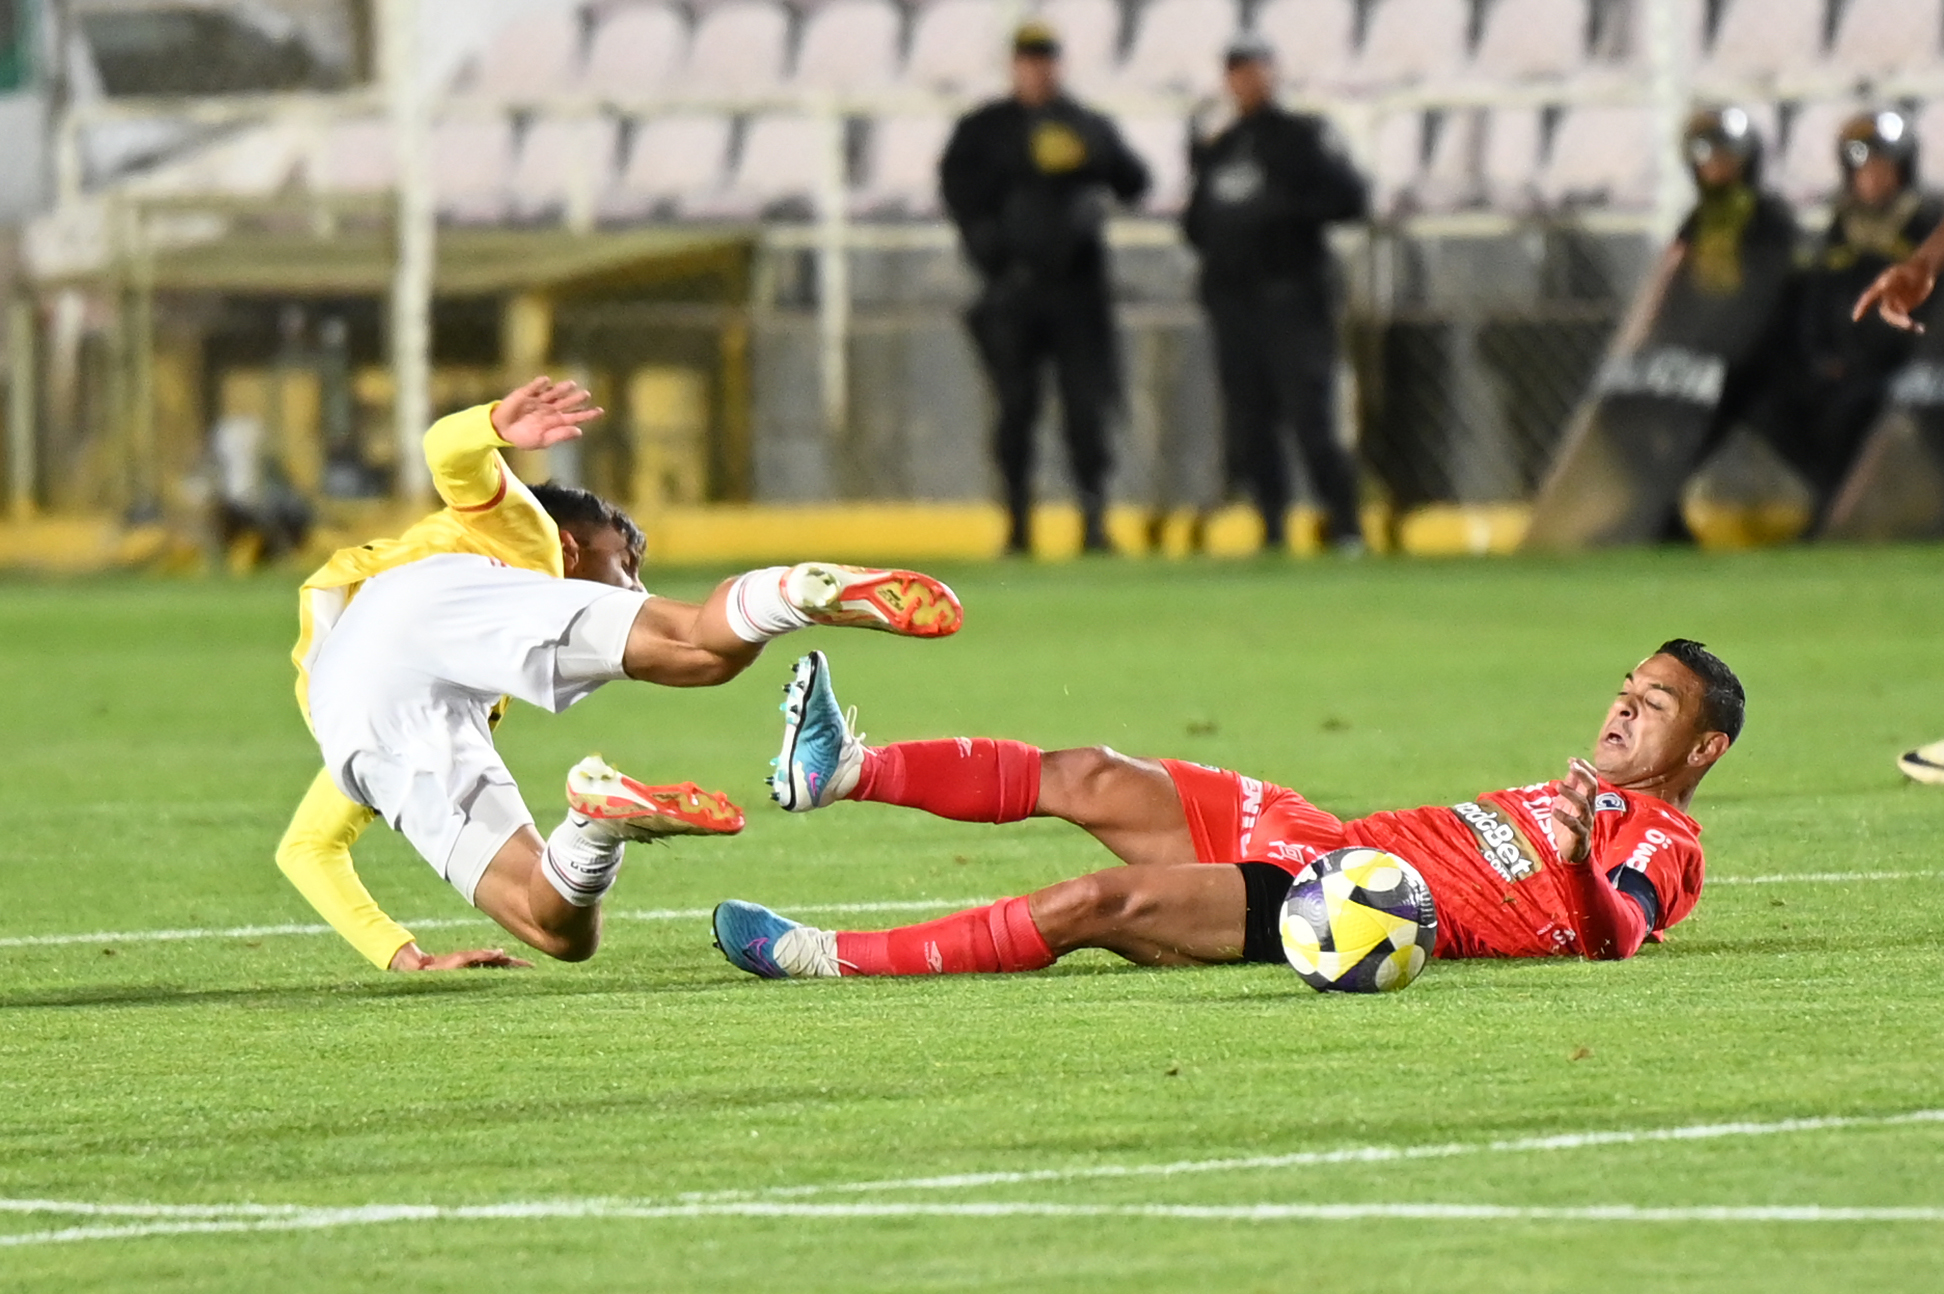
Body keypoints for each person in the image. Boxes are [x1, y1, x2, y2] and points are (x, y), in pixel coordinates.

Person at [278, 377, 964, 972]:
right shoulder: (522, 533)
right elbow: (445, 454)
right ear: (574, 544)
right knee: (704, 649)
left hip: (352, 706)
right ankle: (791, 592)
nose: (636, 586)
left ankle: (593, 824)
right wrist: (492, 424)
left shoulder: (438, 676)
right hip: (423, 604)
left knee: (552, 927)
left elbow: (306, 849)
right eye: (627, 562)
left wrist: (402, 954)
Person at [714, 640, 1742, 979]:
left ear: (1704, 749)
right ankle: (845, 766)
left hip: (1348, 901)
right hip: (1325, 831)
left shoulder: (1660, 835)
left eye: (1654, 704)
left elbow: (1619, 937)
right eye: (1627, 685)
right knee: (1093, 773)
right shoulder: (1575, 787)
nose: (1623, 704)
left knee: (1095, 900)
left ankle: (828, 956)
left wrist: (1576, 858)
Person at [940, 19, 1151, 555]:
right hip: (1013, 290)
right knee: (1015, 410)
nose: (1038, 70)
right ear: (1014, 66)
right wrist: (990, 251)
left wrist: (1090, 155)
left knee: (1087, 408)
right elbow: (959, 192)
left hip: (1078, 291)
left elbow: (1133, 181)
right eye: (1029, 60)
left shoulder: (1082, 123)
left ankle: (1094, 519)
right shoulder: (986, 128)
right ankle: (1018, 524)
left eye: (1046, 59)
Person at [1182, 34, 1369, 552]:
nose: (1245, 80)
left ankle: (1345, 524)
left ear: (1272, 73)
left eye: (1254, 69)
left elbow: (1351, 198)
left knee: (1311, 414)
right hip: (1236, 303)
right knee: (1250, 420)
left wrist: (1284, 209)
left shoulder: (1302, 136)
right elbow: (1197, 225)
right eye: (1236, 71)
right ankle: (1272, 526)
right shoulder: (1221, 146)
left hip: (1294, 298)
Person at [1766, 109, 1941, 526]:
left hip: (1916, 366)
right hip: (1849, 368)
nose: (1873, 179)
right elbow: (1819, 299)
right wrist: (1820, 355)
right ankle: (1825, 514)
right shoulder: (1842, 227)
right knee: (1787, 409)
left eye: (1883, 168)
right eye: (1863, 169)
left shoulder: (1928, 223)